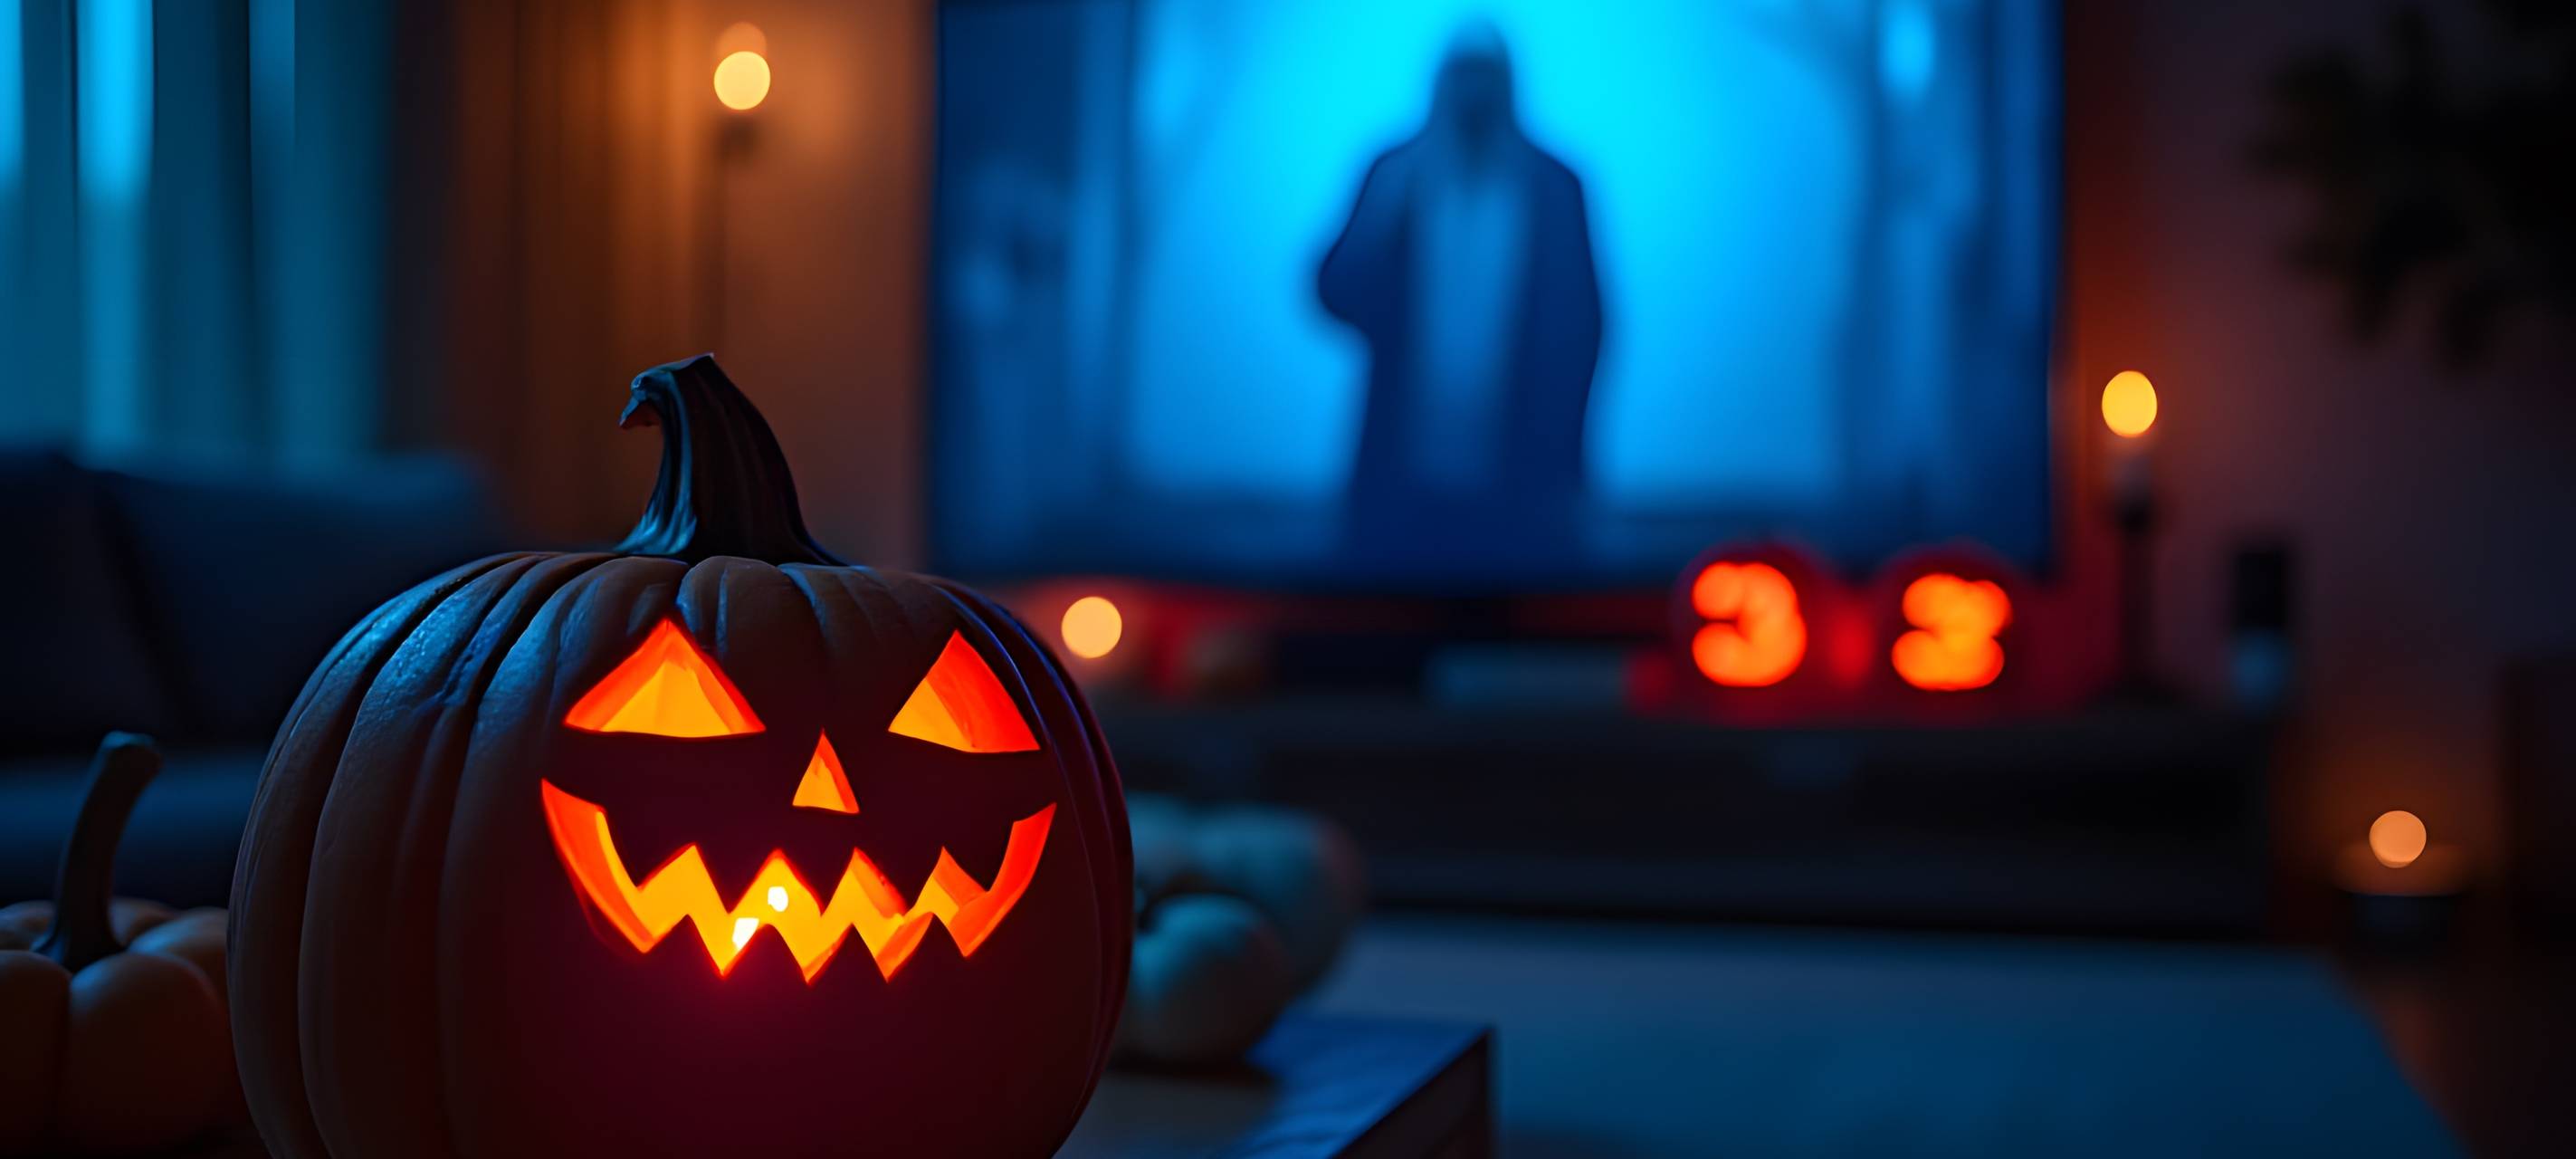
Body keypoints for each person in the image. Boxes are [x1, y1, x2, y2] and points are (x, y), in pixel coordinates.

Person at [1318, 21, 1603, 569]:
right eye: (1462, 75)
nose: (1475, 93)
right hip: (1399, 488)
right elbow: (1334, 296)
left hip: (1525, 491)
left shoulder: (1555, 188)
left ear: (1510, 86)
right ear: (1439, 85)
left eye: (1486, 76)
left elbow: (1586, 333)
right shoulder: (1396, 176)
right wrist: (1381, 214)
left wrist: (1571, 476)